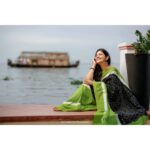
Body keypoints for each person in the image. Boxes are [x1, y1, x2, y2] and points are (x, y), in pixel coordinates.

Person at [54, 48, 148, 125]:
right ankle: (69, 104)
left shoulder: (112, 70)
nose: (97, 56)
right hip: (100, 97)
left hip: (112, 101)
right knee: (84, 86)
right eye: (96, 55)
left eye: (100, 54)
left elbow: (113, 90)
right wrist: (93, 65)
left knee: (86, 85)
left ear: (107, 58)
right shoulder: (98, 72)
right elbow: (86, 81)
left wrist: (92, 83)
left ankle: (69, 104)